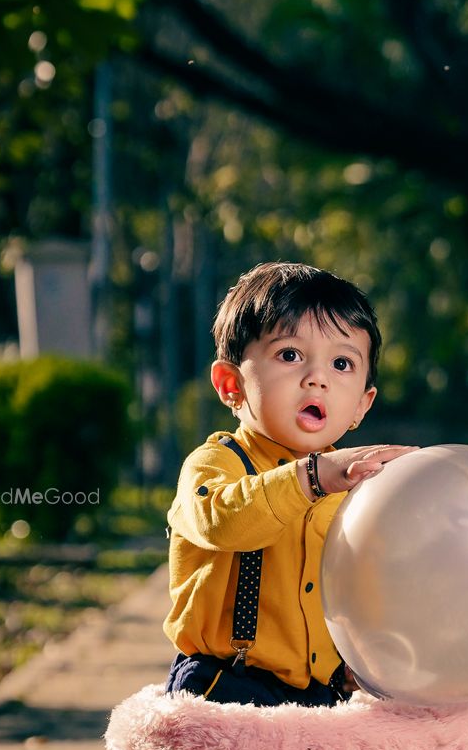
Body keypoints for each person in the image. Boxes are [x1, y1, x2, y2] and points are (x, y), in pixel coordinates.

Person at [163, 261, 416, 707]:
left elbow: (358, 586)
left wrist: (360, 656)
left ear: (361, 404)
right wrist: (312, 477)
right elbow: (222, 522)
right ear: (231, 385)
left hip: (320, 690)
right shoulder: (217, 463)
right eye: (290, 355)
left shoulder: (353, 490)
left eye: (342, 363)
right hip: (226, 685)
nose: (316, 377)